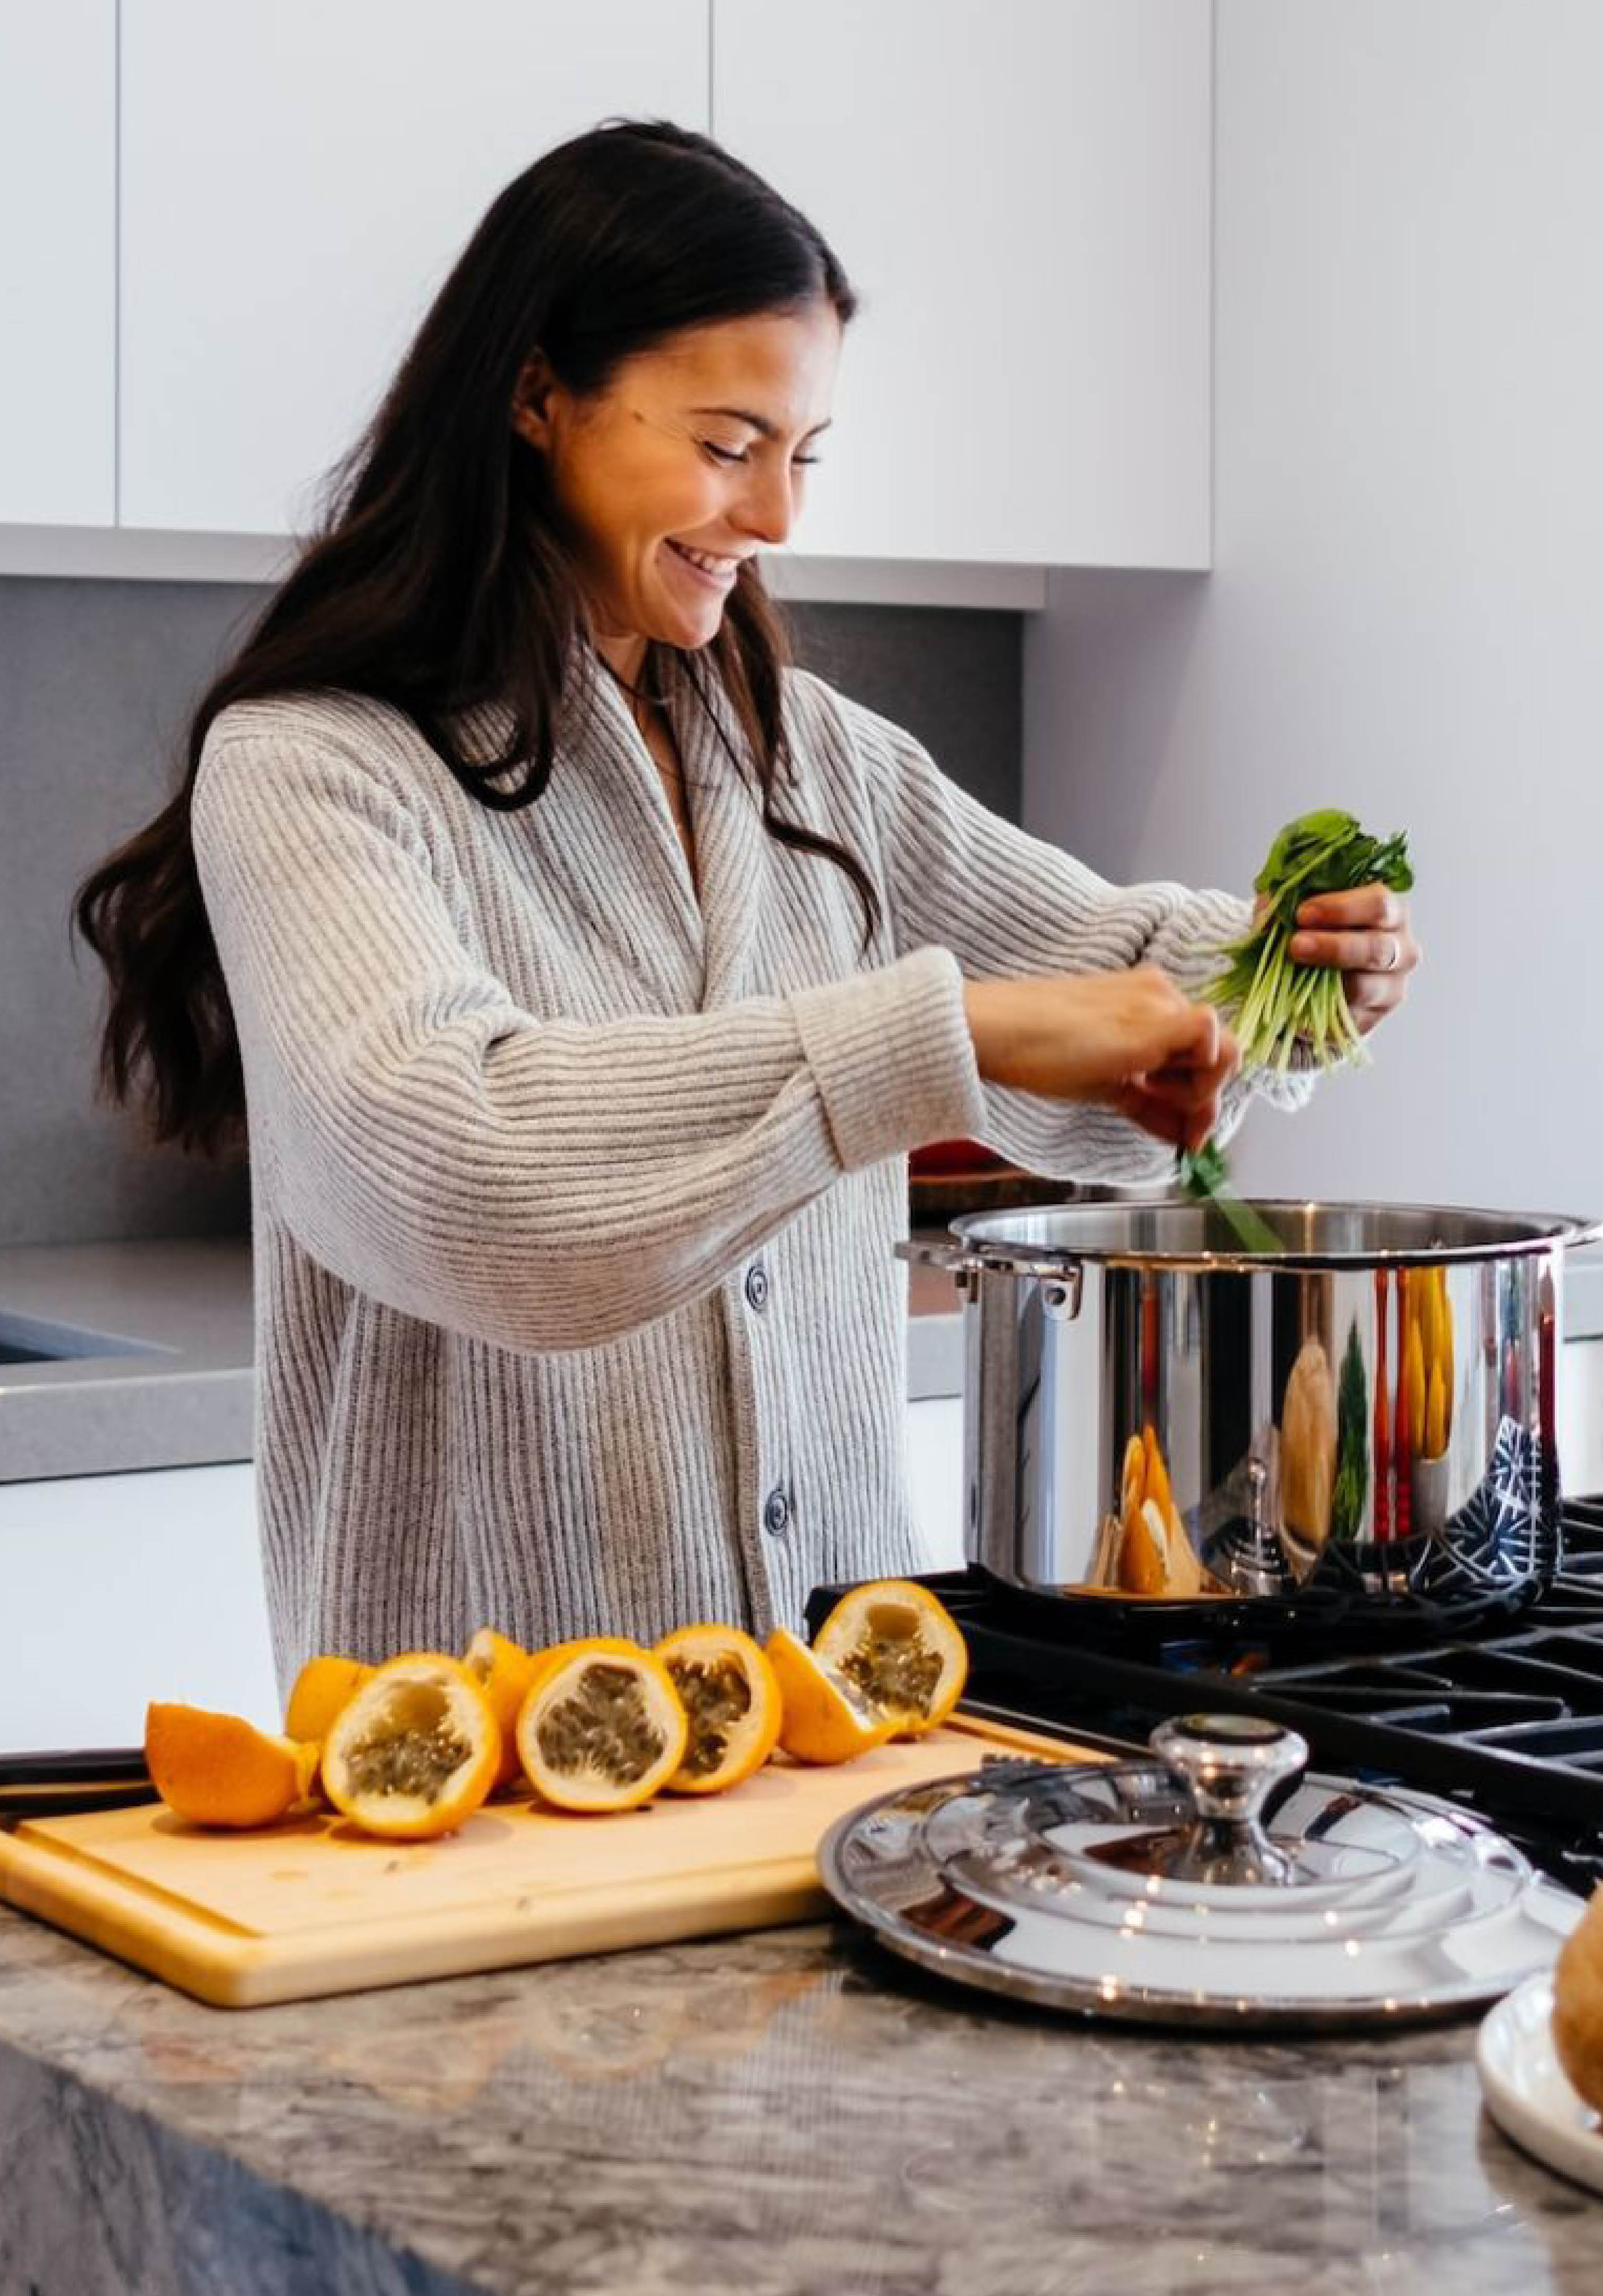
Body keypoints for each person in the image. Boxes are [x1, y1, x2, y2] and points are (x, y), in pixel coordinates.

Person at [75, 122, 1419, 1685]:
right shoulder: (317, 767)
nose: (778, 516)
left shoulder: (811, 757)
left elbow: (1110, 983)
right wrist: (942, 1038)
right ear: (534, 398)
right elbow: (458, 1169)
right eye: (727, 445)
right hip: (480, 1754)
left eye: (804, 453)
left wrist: (1283, 974)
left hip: (841, 1720)